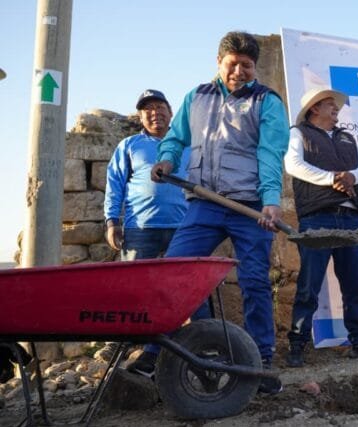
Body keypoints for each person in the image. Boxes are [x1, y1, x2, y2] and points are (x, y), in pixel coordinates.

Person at [147, 31, 289, 393]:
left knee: (255, 281)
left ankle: (261, 360)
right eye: (232, 64)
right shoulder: (196, 97)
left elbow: (270, 153)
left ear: (255, 67)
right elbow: (176, 137)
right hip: (204, 204)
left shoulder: (267, 102)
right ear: (218, 61)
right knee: (177, 273)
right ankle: (159, 351)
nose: (239, 71)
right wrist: (166, 159)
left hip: (248, 206)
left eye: (247, 65)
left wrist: (271, 200)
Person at [283, 87, 358, 367]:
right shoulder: (298, 133)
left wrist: (350, 176)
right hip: (317, 217)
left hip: (349, 218)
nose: (336, 108)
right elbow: (293, 165)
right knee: (308, 286)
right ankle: (298, 345)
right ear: (314, 108)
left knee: (353, 285)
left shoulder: (347, 137)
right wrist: (331, 178)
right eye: (329, 104)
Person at [98, 89, 188, 362]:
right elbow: (114, 184)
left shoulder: (187, 144)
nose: (155, 113)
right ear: (140, 116)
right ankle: (124, 341)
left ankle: (198, 339)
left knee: (187, 287)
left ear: (171, 113)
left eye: (160, 107)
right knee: (134, 288)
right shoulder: (130, 145)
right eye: (147, 109)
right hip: (140, 229)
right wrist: (112, 221)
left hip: (183, 228)